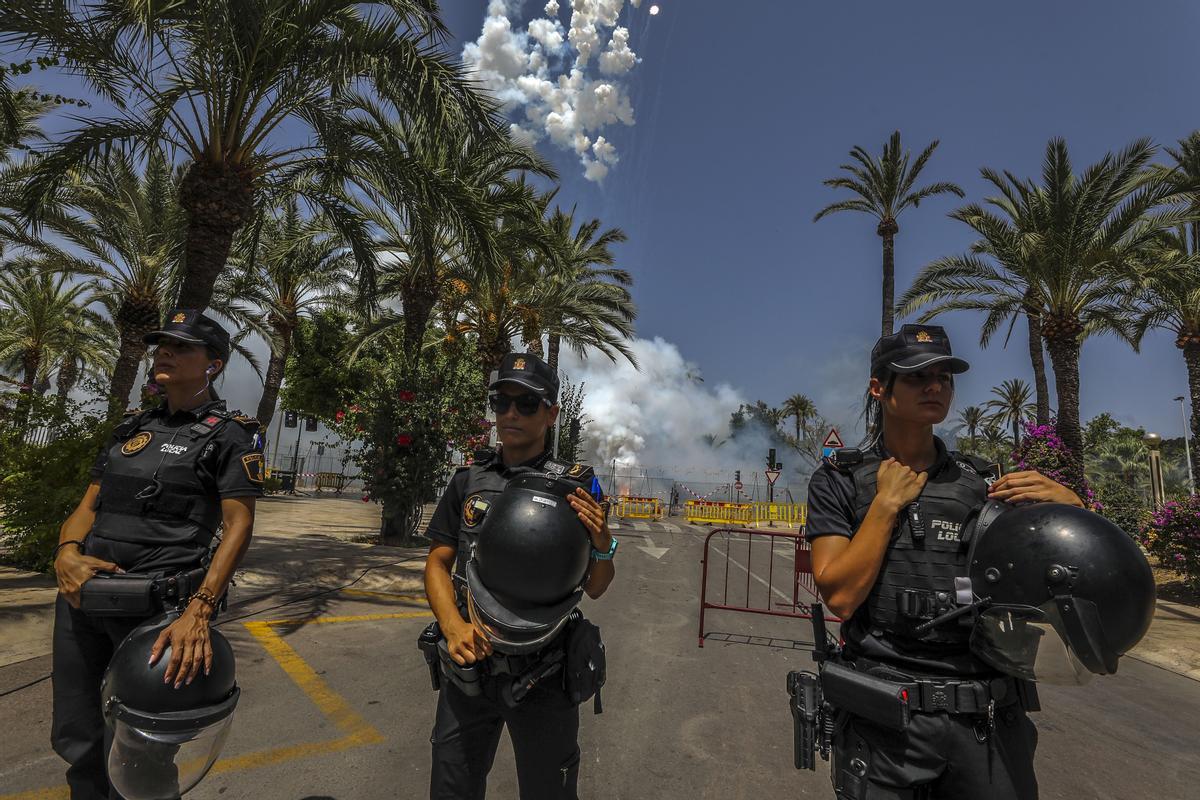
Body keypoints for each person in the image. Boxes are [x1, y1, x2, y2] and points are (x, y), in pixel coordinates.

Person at [805, 324, 1083, 800]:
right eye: (916, 377)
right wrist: (886, 506)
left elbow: (1054, 582)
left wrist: (1070, 514)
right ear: (879, 387)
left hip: (987, 722)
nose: (935, 387)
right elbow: (842, 596)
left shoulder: (988, 487)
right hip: (887, 723)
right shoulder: (841, 481)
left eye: (945, 377)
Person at [50, 309, 263, 799]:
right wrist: (66, 552)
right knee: (77, 736)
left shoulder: (229, 433)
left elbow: (239, 525)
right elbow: (87, 506)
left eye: (181, 346)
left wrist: (200, 609)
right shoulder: (131, 428)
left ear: (213, 363)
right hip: (84, 600)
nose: (164, 352)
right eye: (162, 344)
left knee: (144, 747)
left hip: (158, 610)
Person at [423, 352, 616, 800]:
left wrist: (603, 542)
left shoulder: (578, 486)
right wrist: (453, 627)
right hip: (468, 670)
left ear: (550, 413)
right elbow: (437, 562)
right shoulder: (469, 479)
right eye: (501, 402)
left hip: (545, 675)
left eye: (526, 404)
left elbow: (597, 586)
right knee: (452, 789)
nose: (510, 414)